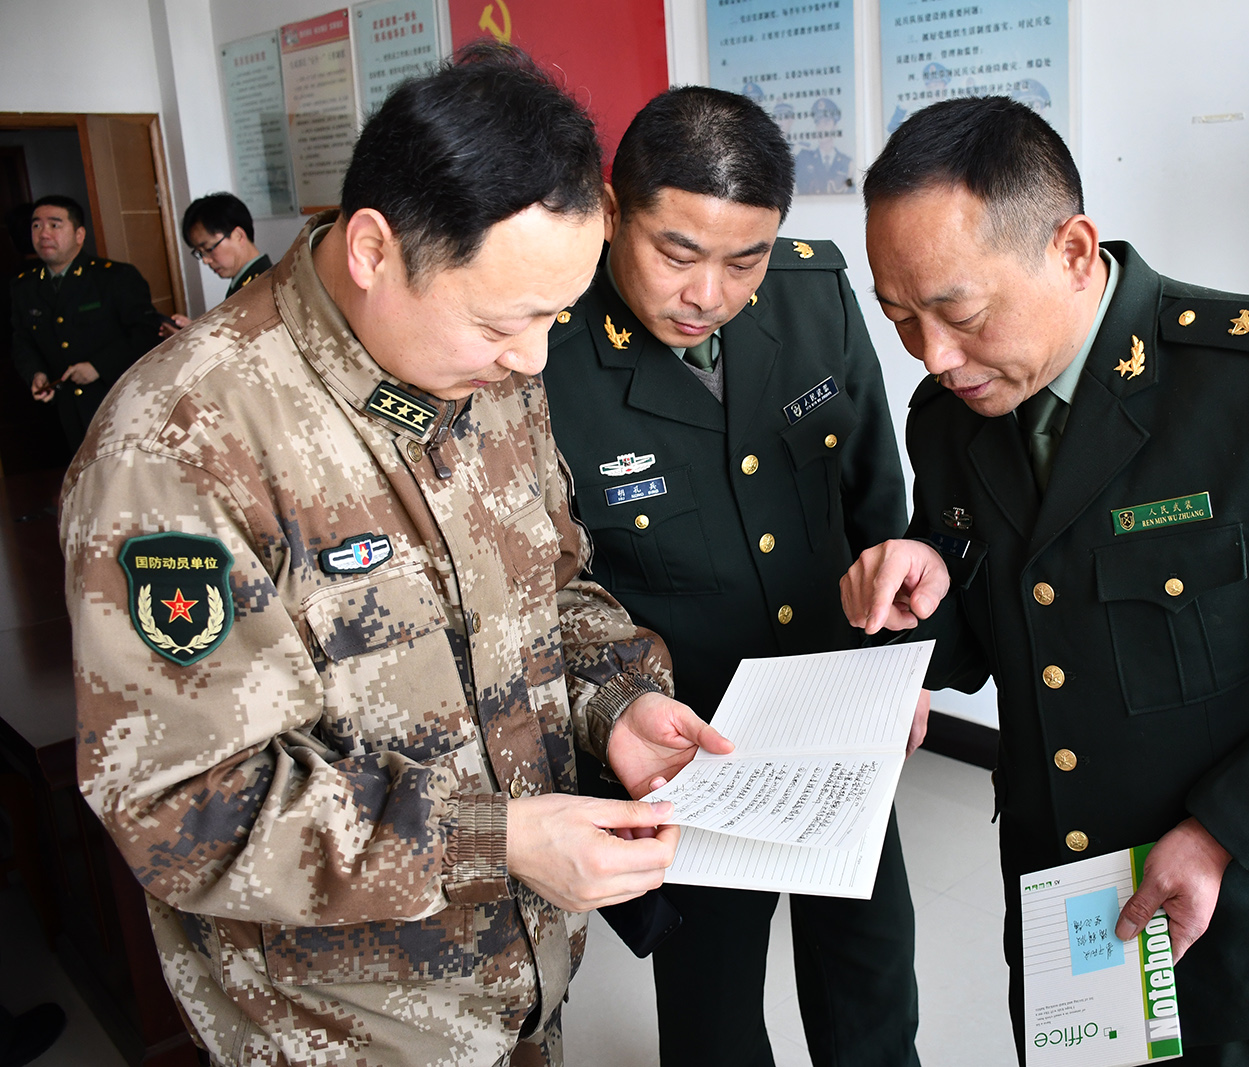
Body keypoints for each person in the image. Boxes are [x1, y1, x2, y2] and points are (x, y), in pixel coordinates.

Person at [60, 44, 731, 1067]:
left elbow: (553, 588)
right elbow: (182, 805)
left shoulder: (485, 366)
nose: (533, 357)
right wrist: (493, 838)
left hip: (523, 981)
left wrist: (617, 701)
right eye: (503, 320)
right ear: (373, 249)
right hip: (341, 1022)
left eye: (553, 315)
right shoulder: (183, 440)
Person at [840, 96, 1249, 1065]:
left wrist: (1224, 830)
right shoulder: (950, 415)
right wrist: (920, 586)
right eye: (898, 318)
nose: (933, 355)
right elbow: (998, 620)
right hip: (1075, 904)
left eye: (958, 311)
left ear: (1071, 249)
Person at [542, 86, 919, 1067]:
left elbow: (876, 502)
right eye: (677, 252)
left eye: (742, 259)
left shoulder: (811, 294)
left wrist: (896, 671)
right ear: (615, 212)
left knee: (872, 973)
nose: (708, 291)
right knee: (711, 1010)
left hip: (838, 713)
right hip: (687, 745)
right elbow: (546, 582)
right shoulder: (547, 353)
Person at [9, 195, 160, 448]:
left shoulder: (115, 277)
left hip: (118, 403)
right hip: (63, 413)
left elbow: (147, 332)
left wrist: (98, 366)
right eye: (36, 225)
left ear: (79, 235)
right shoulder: (24, 287)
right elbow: (22, 341)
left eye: (54, 225)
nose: (44, 233)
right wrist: (35, 373)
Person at [162, 192, 272, 334]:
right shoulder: (247, 282)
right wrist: (193, 330)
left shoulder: (259, 287)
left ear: (238, 236)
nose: (206, 260)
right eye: (200, 253)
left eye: (209, 249)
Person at [794, 97, 852, 194]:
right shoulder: (804, 159)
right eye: (818, 123)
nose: (822, 128)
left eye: (826, 122)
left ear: (835, 127)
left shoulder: (847, 163)